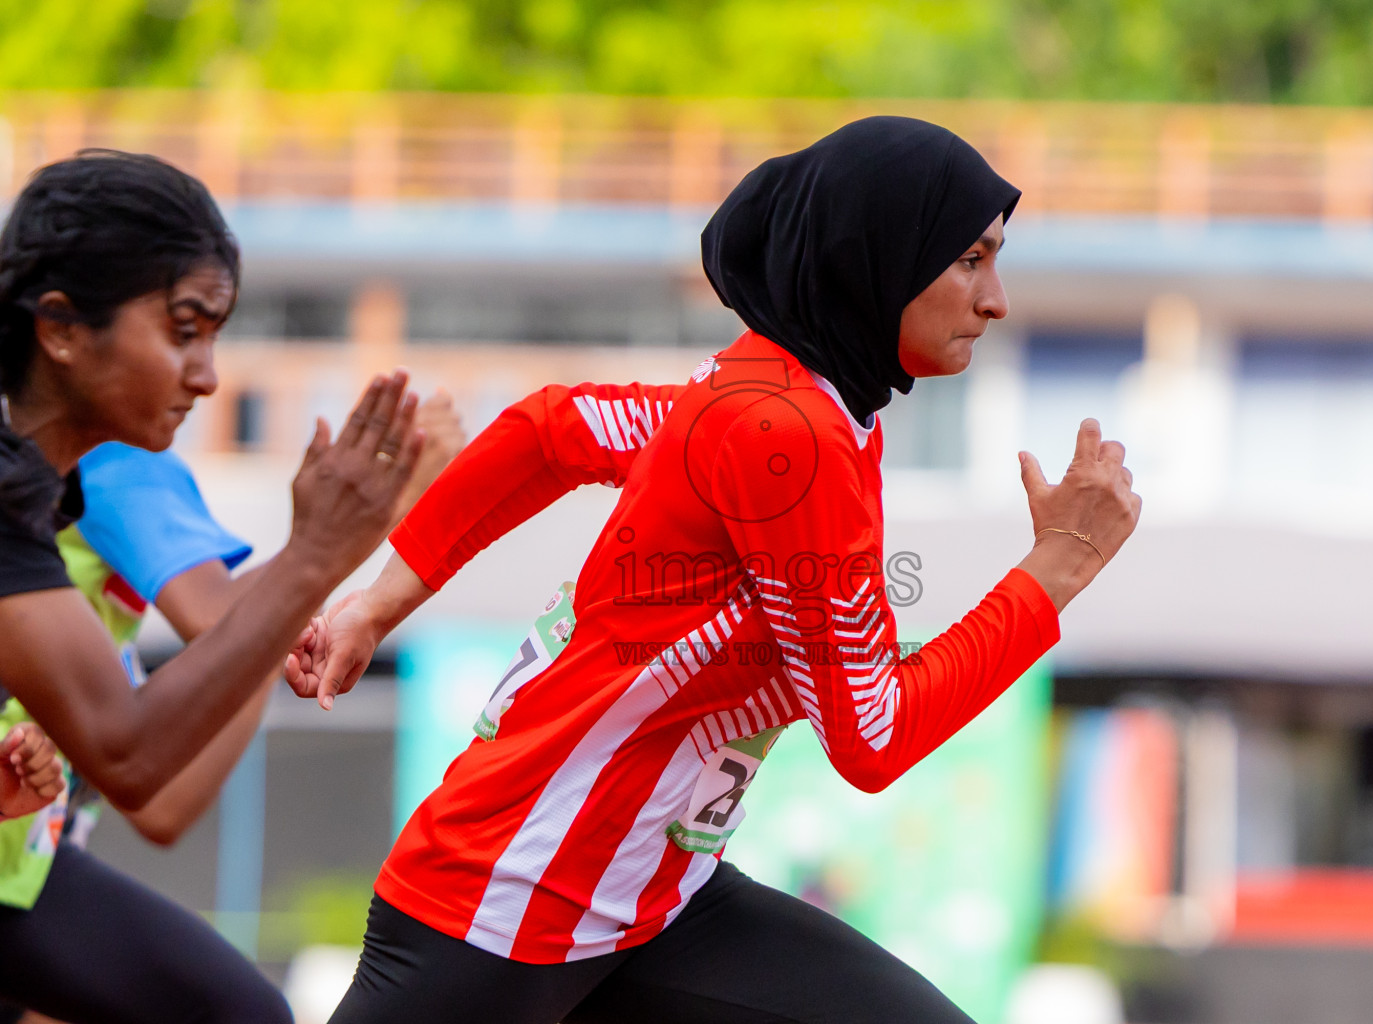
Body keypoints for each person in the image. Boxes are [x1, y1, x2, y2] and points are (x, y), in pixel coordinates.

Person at [289, 117, 1141, 1023]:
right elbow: (874, 737)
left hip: (654, 904)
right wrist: (1058, 567)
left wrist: (377, 604)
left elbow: (550, 432)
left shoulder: (782, 399)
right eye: (970, 259)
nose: (996, 300)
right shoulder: (788, 436)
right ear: (877, 257)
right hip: (504, 909)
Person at [0, 149, 421, 1022]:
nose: (208, 375)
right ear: (62, 328)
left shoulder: (47, 485)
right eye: (184, 330)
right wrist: (313, 559)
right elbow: (133, 756)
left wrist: (320, 559)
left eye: (216, 334)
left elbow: (143, 764)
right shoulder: (86, 481)